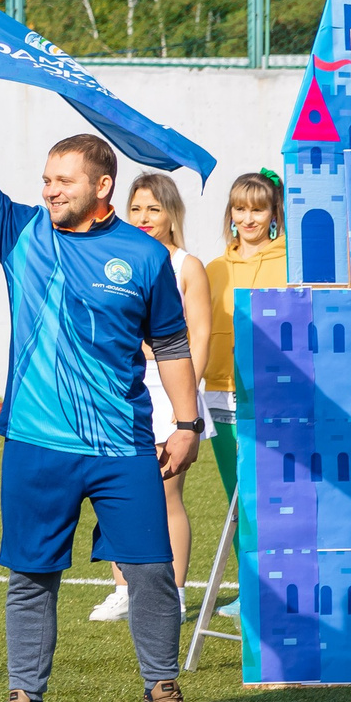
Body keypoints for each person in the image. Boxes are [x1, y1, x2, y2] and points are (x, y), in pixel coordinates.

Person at [0, 39, 205, 702]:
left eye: (63, 180)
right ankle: (25, 700)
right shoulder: (21, 234)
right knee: (31, 576)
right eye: (44, 178)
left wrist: (187, 424)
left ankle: (162, 692)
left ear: (103, 186)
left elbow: (172, 346)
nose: (49, 189)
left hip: (123, 444)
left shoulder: (147, 255)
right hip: (36, 443)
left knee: (153, 572)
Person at [88, 172, 214, 622]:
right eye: (136, 208)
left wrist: (186, 402)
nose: (143, 217)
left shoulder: (186, 265)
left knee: (166, 493)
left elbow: (200, 335)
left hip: (168, 393)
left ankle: (173, 592)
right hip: (122, 389)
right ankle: (124, 589)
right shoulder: (118, 257)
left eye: (154, 209)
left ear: (172, 214)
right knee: (119, 489)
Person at [201, 172, 285, 619]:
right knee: (237, 498)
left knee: (272, 496)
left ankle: (280, 585)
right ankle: (249, 589)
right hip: (220, 394)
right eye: (240, 208)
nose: (248, 218)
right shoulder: (213, 268)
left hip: (273, 396)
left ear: (274, 213)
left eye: (258, 208)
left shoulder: (292, 262)